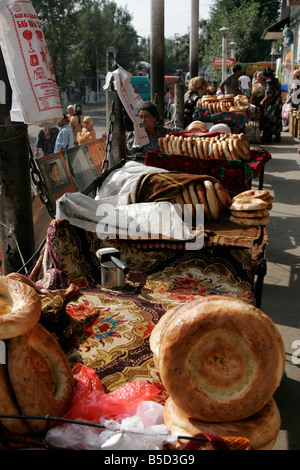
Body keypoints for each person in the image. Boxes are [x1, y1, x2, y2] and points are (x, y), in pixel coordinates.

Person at [260, 67, 282, 143]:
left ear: (266, 75)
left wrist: (262, 101)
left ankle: (268, 136)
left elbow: (269, 94)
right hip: (278, 102)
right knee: (277, 119)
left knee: (269, 119)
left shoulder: (269, 82)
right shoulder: (277, 81)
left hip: (271, 104)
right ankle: (277, 135)